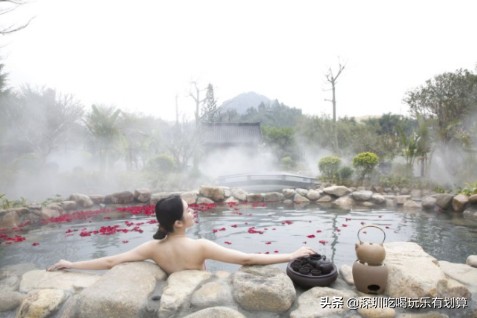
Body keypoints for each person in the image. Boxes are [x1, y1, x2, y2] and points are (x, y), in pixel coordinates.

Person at [48, 195, 316, 274]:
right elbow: (246, 259)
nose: (194, 212)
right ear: (178, 222)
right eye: (189, 210)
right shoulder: (200, 246)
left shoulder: (153, 249)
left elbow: (110, 262)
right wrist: (291, 255)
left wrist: (71, 263)